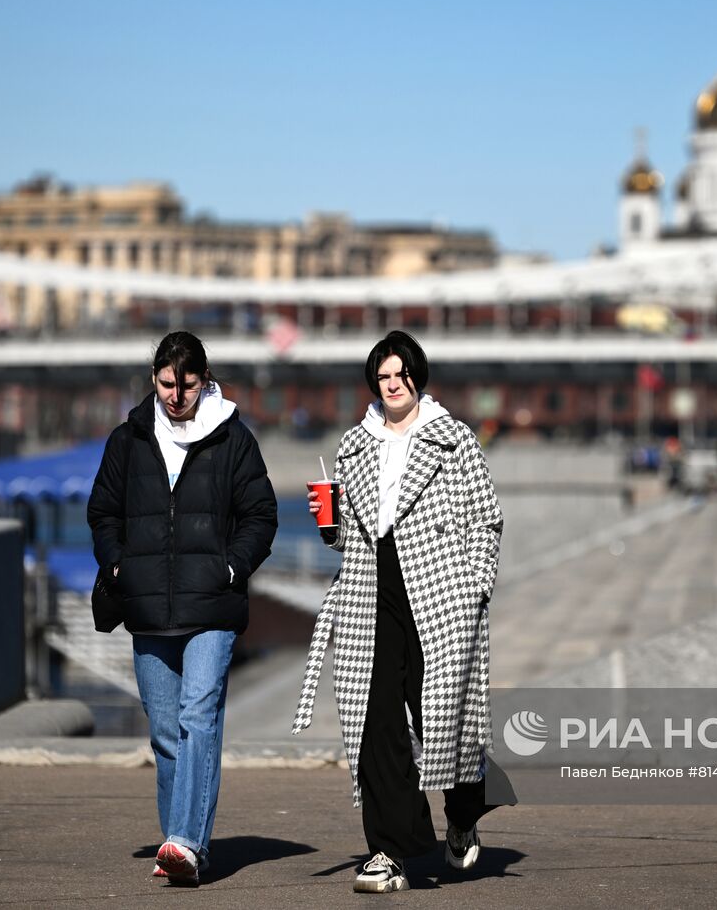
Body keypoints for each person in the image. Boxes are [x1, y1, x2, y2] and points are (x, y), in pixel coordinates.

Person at [292, 331, 506, 894]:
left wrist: (474, 588)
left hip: (439, 592)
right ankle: (389, 851)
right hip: (372, 591)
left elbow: (485, 519)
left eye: (400, 375)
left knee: (446, 721)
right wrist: (329, 527)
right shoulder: (353, 445)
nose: (392, 386)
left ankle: (461, 815)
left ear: (418, 377)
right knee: (374, 720)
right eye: (383, 377)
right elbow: (346, 538)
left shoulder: (454, 439)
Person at [87, 331, 278, 886]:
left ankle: (185, 843)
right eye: (168, 384)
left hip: (212, 605)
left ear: (205, 380)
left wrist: (231, 568)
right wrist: (119, 564)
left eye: (188, 385)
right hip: (147, 606)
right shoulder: (128, 440)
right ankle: (183, 844)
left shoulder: (232, 438)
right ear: (154, 379)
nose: (177, 396)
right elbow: (103, 512)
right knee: (166, 732)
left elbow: (261, 515)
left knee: (199, 717)